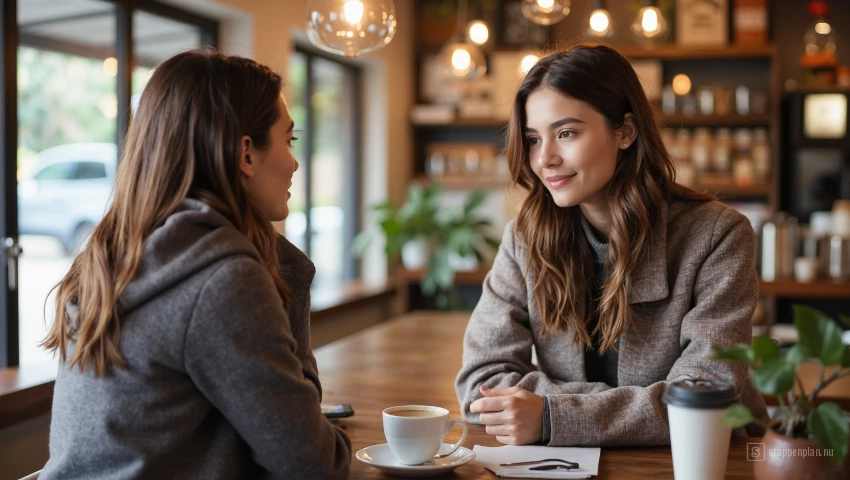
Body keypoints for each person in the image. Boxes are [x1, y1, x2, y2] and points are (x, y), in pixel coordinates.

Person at [39, 49, 351, 479]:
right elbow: (315, 464)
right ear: (246, 153)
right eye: (288, 140)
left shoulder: (112, 253)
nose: (294, 162)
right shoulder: (222, 278)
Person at [454, 44, 768, 447]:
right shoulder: (524, 238)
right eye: (533, 139)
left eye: (566, 133)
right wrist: (629, 409)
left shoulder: (716, 235)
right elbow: (480, 384)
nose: (544, 159)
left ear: (625, 132)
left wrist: (552, 414)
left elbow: (706, 399)